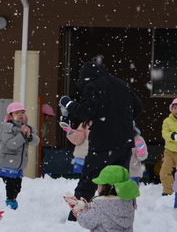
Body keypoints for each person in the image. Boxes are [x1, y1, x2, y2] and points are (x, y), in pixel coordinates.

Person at [59, 60, 143, 214]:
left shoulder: (94, 86)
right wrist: (121, 121)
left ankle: (78, 217)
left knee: (89, 181)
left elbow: (86, 112)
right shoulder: (121, 84)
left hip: (102, 143)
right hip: (124, 143)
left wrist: (69, 103)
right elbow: (138, 108)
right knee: (119, 180)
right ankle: (120, 216)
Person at [0, 102, 40, 210]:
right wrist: (22, 136)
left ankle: (12, 200)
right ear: (10, 116)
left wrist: (29, 136)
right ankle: (11, 202)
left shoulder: (27, 128)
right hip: (7, 163)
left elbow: (35, 142)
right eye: (17, 112)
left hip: (18, 165)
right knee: (11, 185)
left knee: (18, 187)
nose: (20, 114)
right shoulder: (8, 128)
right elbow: (11, 144)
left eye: (22, 112)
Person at [160, 98, 177, 195]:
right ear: (171, 109)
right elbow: (164, 133)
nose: (176, 110)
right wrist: (173, 135)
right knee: (165, 172)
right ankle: (168, 191)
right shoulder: (167, 121)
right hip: (169, 151)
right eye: (175, 108)